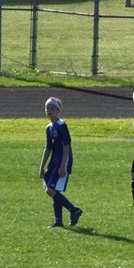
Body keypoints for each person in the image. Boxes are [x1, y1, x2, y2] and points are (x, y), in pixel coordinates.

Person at [39, 97, 82, 228]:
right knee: (53, 190)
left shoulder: (61, 125)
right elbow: (48, 148)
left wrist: (63, 165)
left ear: (58, 110)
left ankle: (74, 210)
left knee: (50, 190)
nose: (49, 110)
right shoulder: (49, 128)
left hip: (63, 160)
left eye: (52, 108)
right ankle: (59, 221)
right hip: (54, 162)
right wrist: (42, 167)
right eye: (47, 108)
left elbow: (66, 146)